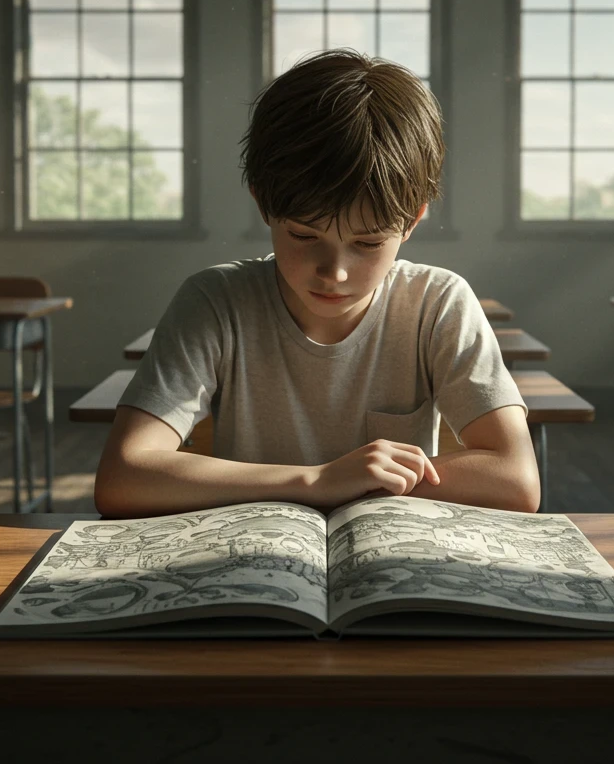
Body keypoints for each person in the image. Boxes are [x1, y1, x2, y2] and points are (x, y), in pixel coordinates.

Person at [95, 47, 539, 518]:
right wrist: (318, 480)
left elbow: (516, 480)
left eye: (368, 244)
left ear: (412, 221)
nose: (335, 273)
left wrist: (345, 484)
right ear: (264, 203)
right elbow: (123, 477)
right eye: (305, 236)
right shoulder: (215, 303)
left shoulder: (437, 304)